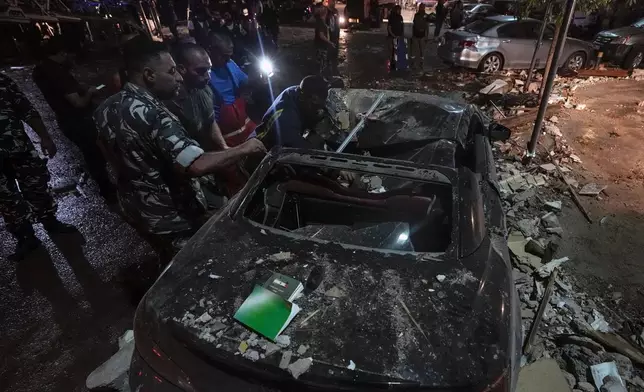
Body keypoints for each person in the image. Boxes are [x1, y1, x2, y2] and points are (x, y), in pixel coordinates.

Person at [93, 40, 265, 256]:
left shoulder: (106, 107)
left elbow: (106, 151)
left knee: (167, 259)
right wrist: (244, 148)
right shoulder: (154, 114)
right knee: (196, 264)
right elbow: (195, 164)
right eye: (172, 71)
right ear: (149, 75)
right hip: (171, 217)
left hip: (138, 210)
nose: (179, 77)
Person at [0, 74, 76, 260]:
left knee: (37, 185)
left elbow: (26, 109)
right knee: (6, 199)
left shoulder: (2, 81)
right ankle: (25, 237)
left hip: (19, 148)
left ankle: (50, 222)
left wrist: (45, 136)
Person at [32, 36, 114, 202]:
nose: (70, 57)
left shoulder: (40, 70)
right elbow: (77, 103)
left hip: (66, 121)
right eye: (68, 54)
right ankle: (107, 190)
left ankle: (106, 187)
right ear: (62, 53)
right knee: (95, 154)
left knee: (91, 153)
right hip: (79, 121)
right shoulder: (57, 72)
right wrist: (90, 92)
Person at [165, 43, 227, 151]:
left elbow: (211, 121)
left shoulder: (204, 90)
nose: (208, 76)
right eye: (201, 71)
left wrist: (224, 147)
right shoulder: (171, 102)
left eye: (209, 69)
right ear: (181, 69)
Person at [207, 32, 257, 147]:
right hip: (225, 137)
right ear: (210, 51)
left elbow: (244, 82)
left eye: (230, 55)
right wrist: (225, 148)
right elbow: (210, 121)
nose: (228, 59)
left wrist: (257, 79)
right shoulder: (204, 76)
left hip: (244, 128)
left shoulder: (229, 64)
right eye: (224, 56)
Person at [255, 75, 331, 150]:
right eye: (317, 106)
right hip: (264, 151)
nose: (319, 109)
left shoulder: (298, 91)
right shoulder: (286, 119)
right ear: (313, 99)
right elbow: (304, 151)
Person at [314, 5, 335, 77]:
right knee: (322, 64)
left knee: (322, 63)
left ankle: (321, 77)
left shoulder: (322, 22)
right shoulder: (321, 23)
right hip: (321, 47)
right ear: (325, 13)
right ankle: (320, 78)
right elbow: (321, 35)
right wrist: (330, 43)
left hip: (321, 46)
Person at [387, 5, 406, 71]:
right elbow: (389, 28)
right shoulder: (391, 17)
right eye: (399, 10)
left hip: (398, 37)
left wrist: (401, 35)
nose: (400, 11)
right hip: (392, 37)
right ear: (396, 10)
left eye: (400, 10)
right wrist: (393, 35)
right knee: (391, 51)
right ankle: (390, 64)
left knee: (397, 51)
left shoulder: (400, 17)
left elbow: (402, 26)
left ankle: (396, 63)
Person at [411, 3, 428, 70]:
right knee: (414, 49)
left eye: (423, 7)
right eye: (421, 7)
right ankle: (413, 62)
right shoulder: (416, 15)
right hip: (416, 34)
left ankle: (421, 62)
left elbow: (427, 26)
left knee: (422, 49)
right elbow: (414, 25)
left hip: (422, 35)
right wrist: (412, 34)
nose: (422, 8)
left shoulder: (426, 16)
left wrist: (427, 35)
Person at [326, 0, 341, 76]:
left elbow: (337, 23)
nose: (334, 3)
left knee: (335, 55)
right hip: (329, 37)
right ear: (328, 2)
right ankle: (328, 72)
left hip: (335, 36)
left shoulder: (336, 11)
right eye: (332, 1)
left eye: (334, 1)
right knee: (329, 55)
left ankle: (335, 71)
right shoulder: (326, 12)